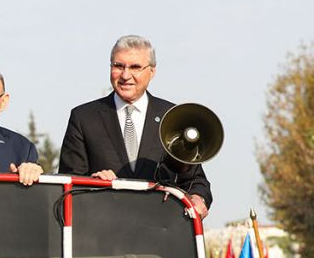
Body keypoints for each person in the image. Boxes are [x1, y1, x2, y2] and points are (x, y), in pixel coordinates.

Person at [58, 34, 213, 216]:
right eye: (118, 66)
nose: (125, 75)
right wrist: (93, 183)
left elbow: (196, 180)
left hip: (162, 230)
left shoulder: (173, 118)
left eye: (135, 67)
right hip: (102, 230)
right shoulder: (83, 118)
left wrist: (197, 198)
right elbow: (67, 184)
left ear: (152, 71)